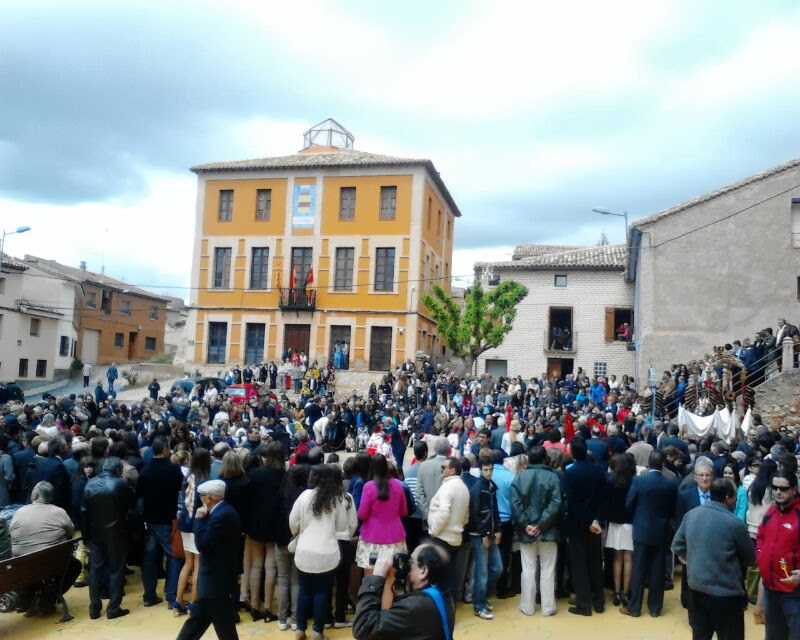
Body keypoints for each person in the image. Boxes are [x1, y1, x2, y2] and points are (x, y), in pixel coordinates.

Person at [672, 478, 754, 640]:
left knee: (701, 635)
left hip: (697, 590)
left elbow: (677, 545)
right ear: (727, 497)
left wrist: (693, 558)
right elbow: (750, 559)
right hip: (727, 595)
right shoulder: (735, 524)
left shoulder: (692, 515)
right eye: (735, 496)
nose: (736, 500)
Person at [290, 464, 356, 640]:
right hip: (328, 552)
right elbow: (342, 527)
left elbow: (293, 521)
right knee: (322, 592)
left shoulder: (304, 496)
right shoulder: (336, 499)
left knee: (305, 590)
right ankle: (318, 632)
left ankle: (300, 629)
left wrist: (299, 530)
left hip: (304, 551)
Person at [176, 479, 241, 640]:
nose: (200, 499)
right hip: (216, 580)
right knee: (203, 621)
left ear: (209, 498)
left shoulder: (220, 516)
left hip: (215, 581)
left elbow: (202, 544)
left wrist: (198, 520)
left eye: (201, 496)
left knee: (219, 626)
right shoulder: (225, 511)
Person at [352, 542, 455, 640]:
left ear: (423, 571)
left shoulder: (416, 607)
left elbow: (363, 627)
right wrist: (390, 579)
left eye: (410, 561)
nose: (407, 567)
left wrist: (377, 576)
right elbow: (385, 617)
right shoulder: (441, 594)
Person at [621, 450, 677, 618]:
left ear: (648, 463)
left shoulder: (639, 481)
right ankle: (655, 607)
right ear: (662, 464)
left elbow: (629, 503)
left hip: (641, 528)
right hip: (661, 530)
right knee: (657, 569)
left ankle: (635, 607)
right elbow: (673, 509)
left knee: (639, 568)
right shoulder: (670, 484)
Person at [81, 456, 136, 619]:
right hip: (117, 533)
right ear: (118, 470)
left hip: (95, 534)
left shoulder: (89, 483)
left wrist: (86, 537)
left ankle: (94, 608)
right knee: (116, 570)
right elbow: (132, 507)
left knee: (96, 570)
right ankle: (113, 608)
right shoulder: (122, 484)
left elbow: (83, 512)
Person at [511, 445, 561, 617]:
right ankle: (548, 607)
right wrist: (542, 525)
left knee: (528, 569)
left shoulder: (519, 478)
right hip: (548, 530)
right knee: (548, 569)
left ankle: (528, 606)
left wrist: (526, 525)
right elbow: (555, 504)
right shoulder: (553, 477)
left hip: (526, 531)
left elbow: (515, 505)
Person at [137, 436, 185, 609]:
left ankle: (149, 595)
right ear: (165, 450)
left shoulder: (145, 470)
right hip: (168, 520)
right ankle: (172, 596)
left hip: (149, 521)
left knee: (149, 558)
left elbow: (139, 494)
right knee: (173, 556)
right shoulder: (174, 470)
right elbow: (181, 491)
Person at [562, 436, 606, 616]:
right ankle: (599, 601)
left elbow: (571, 502)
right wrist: (595, 520)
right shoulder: (598, 471)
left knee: (579, 563)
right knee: (595, 561)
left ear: (572, 452)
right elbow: (602, 498)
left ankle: (583, 604)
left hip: (578, 523)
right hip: (595, 523)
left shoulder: (570, 473)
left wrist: (587, 521)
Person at [756, 469, 800, 640]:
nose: (778, 492)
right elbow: (760, 537)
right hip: (770, 590)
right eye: (775, 488)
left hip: (794, 593)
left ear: (794, 489)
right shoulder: (771, 512)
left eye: (783, 488)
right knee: (773, 635)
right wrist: (761, 556)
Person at [356, 453, 408, 575]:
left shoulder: (368, 486)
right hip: (395, 536)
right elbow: (403, 511)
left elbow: (362, 515)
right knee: (392, 579)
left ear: (371, 467)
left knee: (370, 579)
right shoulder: (397, 484)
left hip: (372, 537)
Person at [426, 456, 470, 596]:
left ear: (452, 470)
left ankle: (441, 612)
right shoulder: (463, 487)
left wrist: (434, 531)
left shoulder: (448, 487)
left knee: (439, 578)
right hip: (455, 537)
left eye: (443, 467)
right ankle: (449, 610)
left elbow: (443, 512)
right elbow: (466, 516)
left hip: (442, 538)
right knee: (450, 576)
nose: (441, 470)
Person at [175, 448, 211, 615]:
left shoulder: (187, 476)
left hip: (184, 523)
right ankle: (194, 605)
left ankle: (178, 601)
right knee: (198, 566)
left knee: (187, 564)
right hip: (197, 525)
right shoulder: (204, 480)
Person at [467, 456, 501, 620]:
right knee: (482, 572)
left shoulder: (490, 486)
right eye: (486, 470)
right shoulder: (477, 488)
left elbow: (494, 511)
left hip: (490, 533)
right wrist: (484, 535)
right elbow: (473, 515)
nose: (488, 472)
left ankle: (481, 598)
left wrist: (497, 530)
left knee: (497, 568)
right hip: (480, 535)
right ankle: (478, 605)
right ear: (480, 469)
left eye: (491, 469)